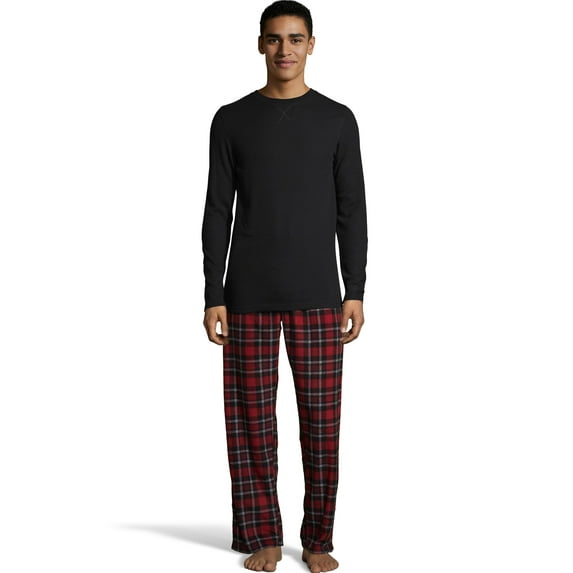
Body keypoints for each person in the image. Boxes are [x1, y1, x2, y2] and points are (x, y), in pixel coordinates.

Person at [201, 1, 367, 571]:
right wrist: (213, 293)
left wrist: (355, 288)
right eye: (274, 39)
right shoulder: (231, 119)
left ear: (311, 45)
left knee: (321, 426)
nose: (285, 50)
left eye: (295, 39)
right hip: (246, 294)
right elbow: (217, 210)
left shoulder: (337, 119)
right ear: (260, 45)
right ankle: (262, 535)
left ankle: (318, 539)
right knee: (251, 423)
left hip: (319, 295)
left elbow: (352, 209)